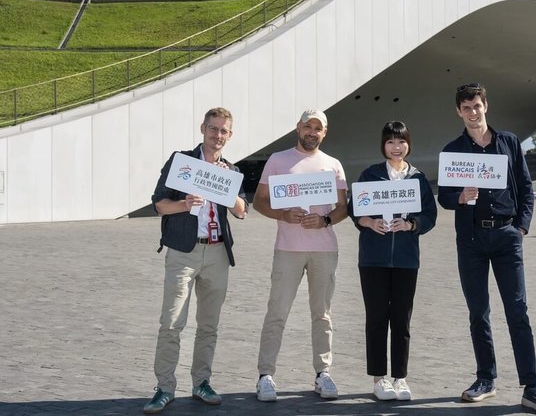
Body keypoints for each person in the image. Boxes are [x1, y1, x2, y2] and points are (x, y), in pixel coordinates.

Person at [437, 83, 536, 413]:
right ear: (458, 112)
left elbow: (525, 189)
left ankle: (532, 386)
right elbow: (445, 196)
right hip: (472, 240)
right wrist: (458, 198)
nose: (472, 112)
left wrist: (520, 228)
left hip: (506, 236)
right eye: (466, 108)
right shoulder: (453, 151)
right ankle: (485, 379)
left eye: (477, 105)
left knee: (518, 311)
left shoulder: (509, 143)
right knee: (479, 313)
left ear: (485, 106)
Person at [144, 107, 248, 414]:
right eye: (213, 129)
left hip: (217, 252)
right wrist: (184, 203)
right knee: (172, 322)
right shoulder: (182, 163)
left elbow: (242, 210)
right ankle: (164, 387)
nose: (217, 136)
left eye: (223, 131)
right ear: (203, 128)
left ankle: (202, 382)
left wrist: (231, 187)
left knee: (209, 325)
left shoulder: (229, 169)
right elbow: (159, 205)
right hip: (183, 252)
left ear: (230, 136)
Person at [253, 108, 348, 402]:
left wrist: (326, 220)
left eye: (317, 128)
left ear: (324, 133)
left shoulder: (332, 165)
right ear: (298, 127)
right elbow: (259, 201)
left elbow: (343, 207)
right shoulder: (278, 160)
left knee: (322, 314)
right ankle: (265, 375)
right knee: (277, 312)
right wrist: (283, 214)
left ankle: (323, 373)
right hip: (288, 249)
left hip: (324, 249)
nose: (312, 132)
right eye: (308, 126)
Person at [347, 121, 438, 402]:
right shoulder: (371, 174)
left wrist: (411, 225)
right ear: (383, 145)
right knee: (376, 318)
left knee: (401, 319)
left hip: (406, 260)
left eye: (401, 142)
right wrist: (369, 222)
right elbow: (353, 208)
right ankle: (379, 378)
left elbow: (429, 216)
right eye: (390, 142)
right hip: (373, 259)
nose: (396, 147)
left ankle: (400, 377)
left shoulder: (418, 178)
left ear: (408, 143)